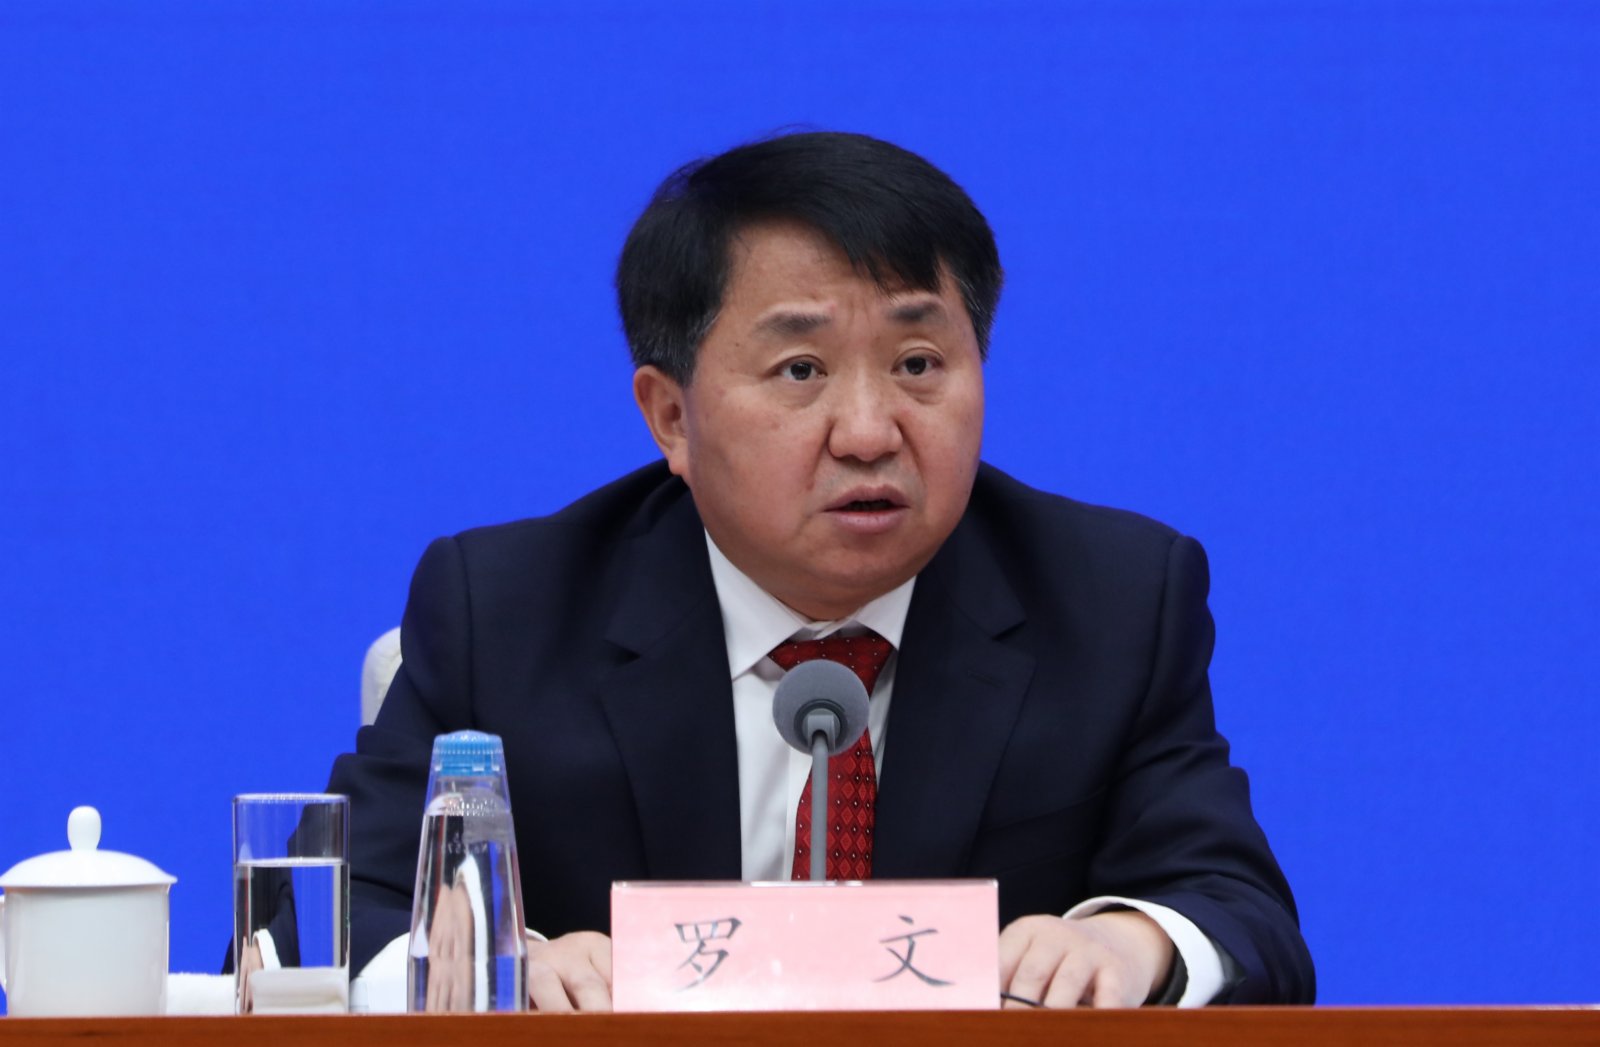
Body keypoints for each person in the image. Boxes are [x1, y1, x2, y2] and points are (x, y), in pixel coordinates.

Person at [326, 131, 1316, 1011]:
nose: (869, 432)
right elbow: (344, 915)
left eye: (918, 363)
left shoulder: (1111, 599)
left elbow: (1235, 911)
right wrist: (497, 969)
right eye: (800, 371)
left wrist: (1134, 942)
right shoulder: (506, 608)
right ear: (671, 417)